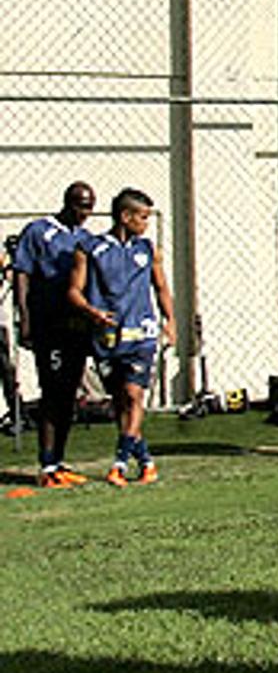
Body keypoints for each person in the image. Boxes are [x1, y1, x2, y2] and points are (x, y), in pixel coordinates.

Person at [68, 187, 173, 487]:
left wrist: (171, 321)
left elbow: (161, 288)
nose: (146, 224)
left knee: (134, 394)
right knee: (119, 402)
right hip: (107, 337)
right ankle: (146, 462)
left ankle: (119, 463)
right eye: (142, 217)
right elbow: (74, 291)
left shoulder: (148, 249)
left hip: (141, 334)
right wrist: (92, 312)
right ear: (125, 217)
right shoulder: (89, 248)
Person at [10, 183, 96, 486]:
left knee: (70, 395)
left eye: (89, 207)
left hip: (75, 327)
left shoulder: (85, 239)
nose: (85, 213)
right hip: (48, 325)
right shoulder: (38, 231)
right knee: (52, 393)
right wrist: (25, 317)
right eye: (81, 206)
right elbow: (22, 273)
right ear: (68, 203)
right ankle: (46, 466)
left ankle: (58, 461)